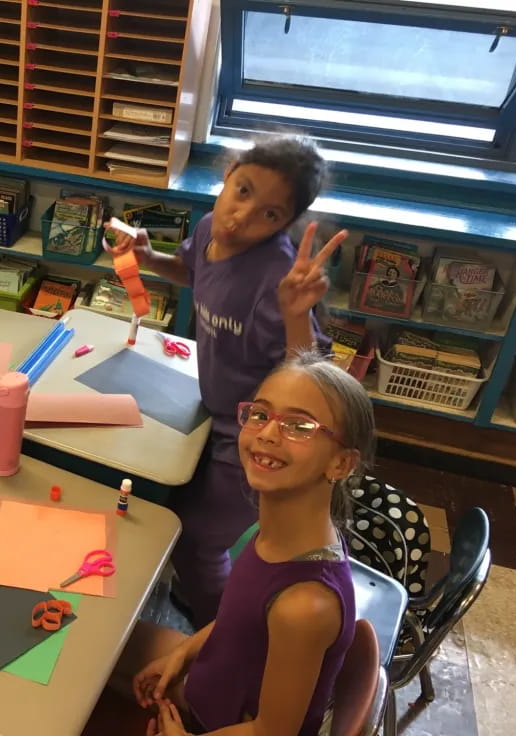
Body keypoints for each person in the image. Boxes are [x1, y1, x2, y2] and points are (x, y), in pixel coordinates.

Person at [105, 135, 346, 626]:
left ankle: (217, 635)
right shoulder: (213, 228)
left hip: (260, 433)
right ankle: (202, 599)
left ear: (287, 223)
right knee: (176, 506)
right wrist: (151, 259)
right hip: (215, 409)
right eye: (243, 191)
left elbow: (314, 374)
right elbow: (195, 270)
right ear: (229, 172)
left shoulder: (276, 276)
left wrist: (296, 312)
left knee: (198, 542)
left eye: (270, 215)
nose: (243, 216)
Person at [92, 352, 375, 736]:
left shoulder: (305, 607)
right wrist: (183, 653)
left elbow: (271, 732)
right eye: (260, 414)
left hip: (216, 724)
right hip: (210, 685)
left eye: (299, 425)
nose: (268, 433)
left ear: (340, 465)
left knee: (78, 678)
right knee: (90, 637)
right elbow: (239, 620)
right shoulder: (281, 533)